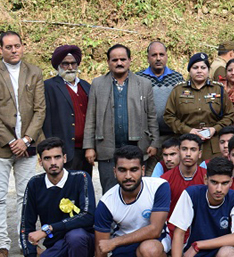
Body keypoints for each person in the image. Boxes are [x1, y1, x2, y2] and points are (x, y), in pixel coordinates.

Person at [0, 31, 46, 257]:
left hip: (27, 145)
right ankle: (1, 245)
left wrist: (26, 139)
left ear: (23, 46)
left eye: (17, 45)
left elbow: (40, 110)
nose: (14, 50)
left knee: (26, 196)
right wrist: (10, 141)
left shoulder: (34, 71)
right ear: (0, 50)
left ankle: (25, 241)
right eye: (9, 47)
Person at [19, 138, 95, 257]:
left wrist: (48, 229)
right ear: (40, 161)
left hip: (83, 241)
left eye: (57, 157)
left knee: (76, 236)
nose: (53, 163)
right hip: (56, 246)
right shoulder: (34, 184)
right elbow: (26, 226)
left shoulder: (80, 177)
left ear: (65, 158)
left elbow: (89, 215)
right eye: (47, 158)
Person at [93, 146, 171, 257]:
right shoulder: (106, 203)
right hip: (124, 248)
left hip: (153, 241)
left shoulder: (159, 186)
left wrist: (115, 242)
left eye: (134, 169)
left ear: (142, 170)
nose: (128, 176)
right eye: (122, 170)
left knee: (149, 250)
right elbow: (100, 249)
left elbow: (155, 229)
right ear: (114, 171)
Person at [84, 44, 159, 192]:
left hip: (136, 147)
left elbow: (151, 115)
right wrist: (89, 147)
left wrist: (155, 142)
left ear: (130, 60)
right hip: (107, 148)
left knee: (136, 189)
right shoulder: (98, 84)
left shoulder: (143, 84)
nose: (119, 63)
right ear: (108, 62)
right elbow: (91, 117)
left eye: (123, 59)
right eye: (115, 60)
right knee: (110, 190)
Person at [164, 52, 234, 162]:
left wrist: (214, 129)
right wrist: (188, 130)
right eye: (195, 67)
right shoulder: (178, 90)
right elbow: (169, 116)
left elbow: (230, 114)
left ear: (208, 70)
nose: (199, 71)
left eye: (203, 67)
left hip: (212, 144)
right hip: (185, 143)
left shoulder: (218, 89)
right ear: (189, 70)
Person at [43, 45, 91, 173]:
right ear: (58, 65)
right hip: (63, 149)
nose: (70, 67)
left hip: (85, 149)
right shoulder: (49, 86)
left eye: (73, 63)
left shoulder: (86, 86)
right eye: (65, 64)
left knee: (84, 185)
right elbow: (46, 119)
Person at [137, 42, 184, 167]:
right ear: (148, 57)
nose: (158, 58)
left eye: (161, 54)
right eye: (154, 55)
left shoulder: (177, 78)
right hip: (148, 138)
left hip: (172, 135)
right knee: (149, 172)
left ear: (166, 56)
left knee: (171, 170)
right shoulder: (139, 79)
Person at [161, 133, 207, 235]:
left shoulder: (207, 178)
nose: (188, 154)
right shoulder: (164, 180)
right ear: (178, 152)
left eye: (193, 150)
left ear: (199, 154)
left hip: (200, 231)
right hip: (171, 231)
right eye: (184, 149)